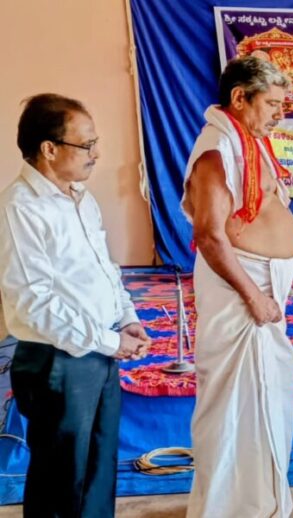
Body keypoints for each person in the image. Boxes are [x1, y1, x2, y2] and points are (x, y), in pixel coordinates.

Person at [0, 93, 150, 517]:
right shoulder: (20, 208)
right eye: (86, 145)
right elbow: (32, 302)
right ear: (49, 149)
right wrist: (109, 341)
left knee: (99, 470)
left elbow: (104, 269)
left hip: (98, 348)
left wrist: (126, 318)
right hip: (57, 360)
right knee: (60, 478)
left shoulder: (81, 197)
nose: (95, 154)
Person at [181, 56, 293, 517]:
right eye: (272, 103)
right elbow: (210, 235)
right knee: (234, 406)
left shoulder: (248, 142)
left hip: (261, 287)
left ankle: (260, 504)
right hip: (241, 295)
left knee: (268, 399)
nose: (279, 114)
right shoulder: (216, 151)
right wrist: (253, 295)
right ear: (239, 98)